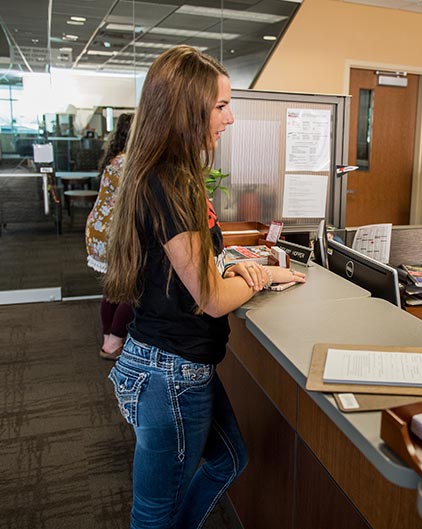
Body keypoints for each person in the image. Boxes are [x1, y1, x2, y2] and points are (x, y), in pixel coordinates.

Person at [103, 45, 305, 529]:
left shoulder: (164, 173)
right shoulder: (170, 181)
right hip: (168, 373)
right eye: (220, 105)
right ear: (186, 109)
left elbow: (194, 273)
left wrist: (234, 273)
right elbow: (212, 300)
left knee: (228, 459)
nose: (230, 118)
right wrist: (256, 278)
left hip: (174, 364)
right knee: (154, 514)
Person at [85, 112, 134, 360]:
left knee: (114, 288)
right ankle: (113, 342)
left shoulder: (115, 158)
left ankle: (109, 340)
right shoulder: (129, 162)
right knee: (132, 289)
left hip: (100, 229)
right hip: (113, 233)